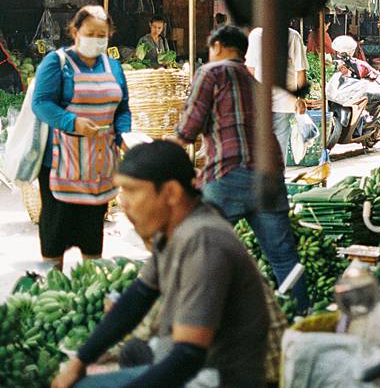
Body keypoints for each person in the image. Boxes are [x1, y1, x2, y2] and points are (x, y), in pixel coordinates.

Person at [51, 141, 269, 388]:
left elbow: (188, 356)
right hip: (191, 361)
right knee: (132, 352)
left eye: (132, 190)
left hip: (217, 377)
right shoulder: (175, 229)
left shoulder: (203, 241)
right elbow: (138, 296)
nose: (123, 202)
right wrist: (79, 361)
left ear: (171, 193)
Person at [171, 25, 309, 311]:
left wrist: (163, 154)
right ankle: (302, 317)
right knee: (284, 257)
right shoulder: (255, 83)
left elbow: (189, 127)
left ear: (218, 46)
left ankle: (201, 320)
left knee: (205, 253)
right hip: (269, 177)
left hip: (228, 175)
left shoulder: (211, 73)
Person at [32, 5, 131, 269]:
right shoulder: (57, 62)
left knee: (91, 234)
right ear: (75, 32)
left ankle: (89, 282)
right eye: (91, 33)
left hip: (99, 166)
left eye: (103, 34)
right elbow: (41, 103)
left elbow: (122, 109)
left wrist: (124, 136)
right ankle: (52, 286)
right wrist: (72, 122)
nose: (97, 39)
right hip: (61, 164)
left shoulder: (114, 67)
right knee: (55, 233)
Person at [245, 26, 309, 165]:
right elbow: (300, 71)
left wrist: (300, 99)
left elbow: (300, 71)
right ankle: (274, 181)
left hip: (279, 103)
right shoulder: (290, 35)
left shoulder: (291, 36)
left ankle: (270, 181)